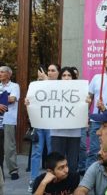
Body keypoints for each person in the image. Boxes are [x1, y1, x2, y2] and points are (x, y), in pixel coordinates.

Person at [28, 64, 60, 192]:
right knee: (37, 152)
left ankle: (51, 178)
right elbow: (30, 100)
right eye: (48, 71)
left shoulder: (61, 85)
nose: (50, 73)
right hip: (39, 122)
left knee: (51, 152)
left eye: (53, 71)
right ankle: (34, 180)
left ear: (58, 73)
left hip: (52, 123)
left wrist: (46, 80)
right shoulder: (37, 85)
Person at [86, 54, 107, 168]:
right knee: (94, 151)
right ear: (104, 64)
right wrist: (85, 117)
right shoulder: (97, 78)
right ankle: (89, 180)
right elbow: (89, 98)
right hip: (96, 120)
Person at [50, 67, 82, 173]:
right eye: (64, 75)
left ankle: (71, 187)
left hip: (74, 133)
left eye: (69, 75)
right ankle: (57, 187)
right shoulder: (52, 91)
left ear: (73, 78)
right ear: (60, 77)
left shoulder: (80, 92)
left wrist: (86, 102)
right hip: (57, 132)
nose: (66, 78)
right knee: (57, 162)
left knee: (72, 163)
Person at [0, 66, 20, 180]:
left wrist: (4, 99)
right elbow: (7, 99)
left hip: (8, 120)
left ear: (9, 74)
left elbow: (12, 99)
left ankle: (13, 170)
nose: (0, 74)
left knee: (9, 147)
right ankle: (0, 170)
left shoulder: (14, 86)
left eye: (2, 72)